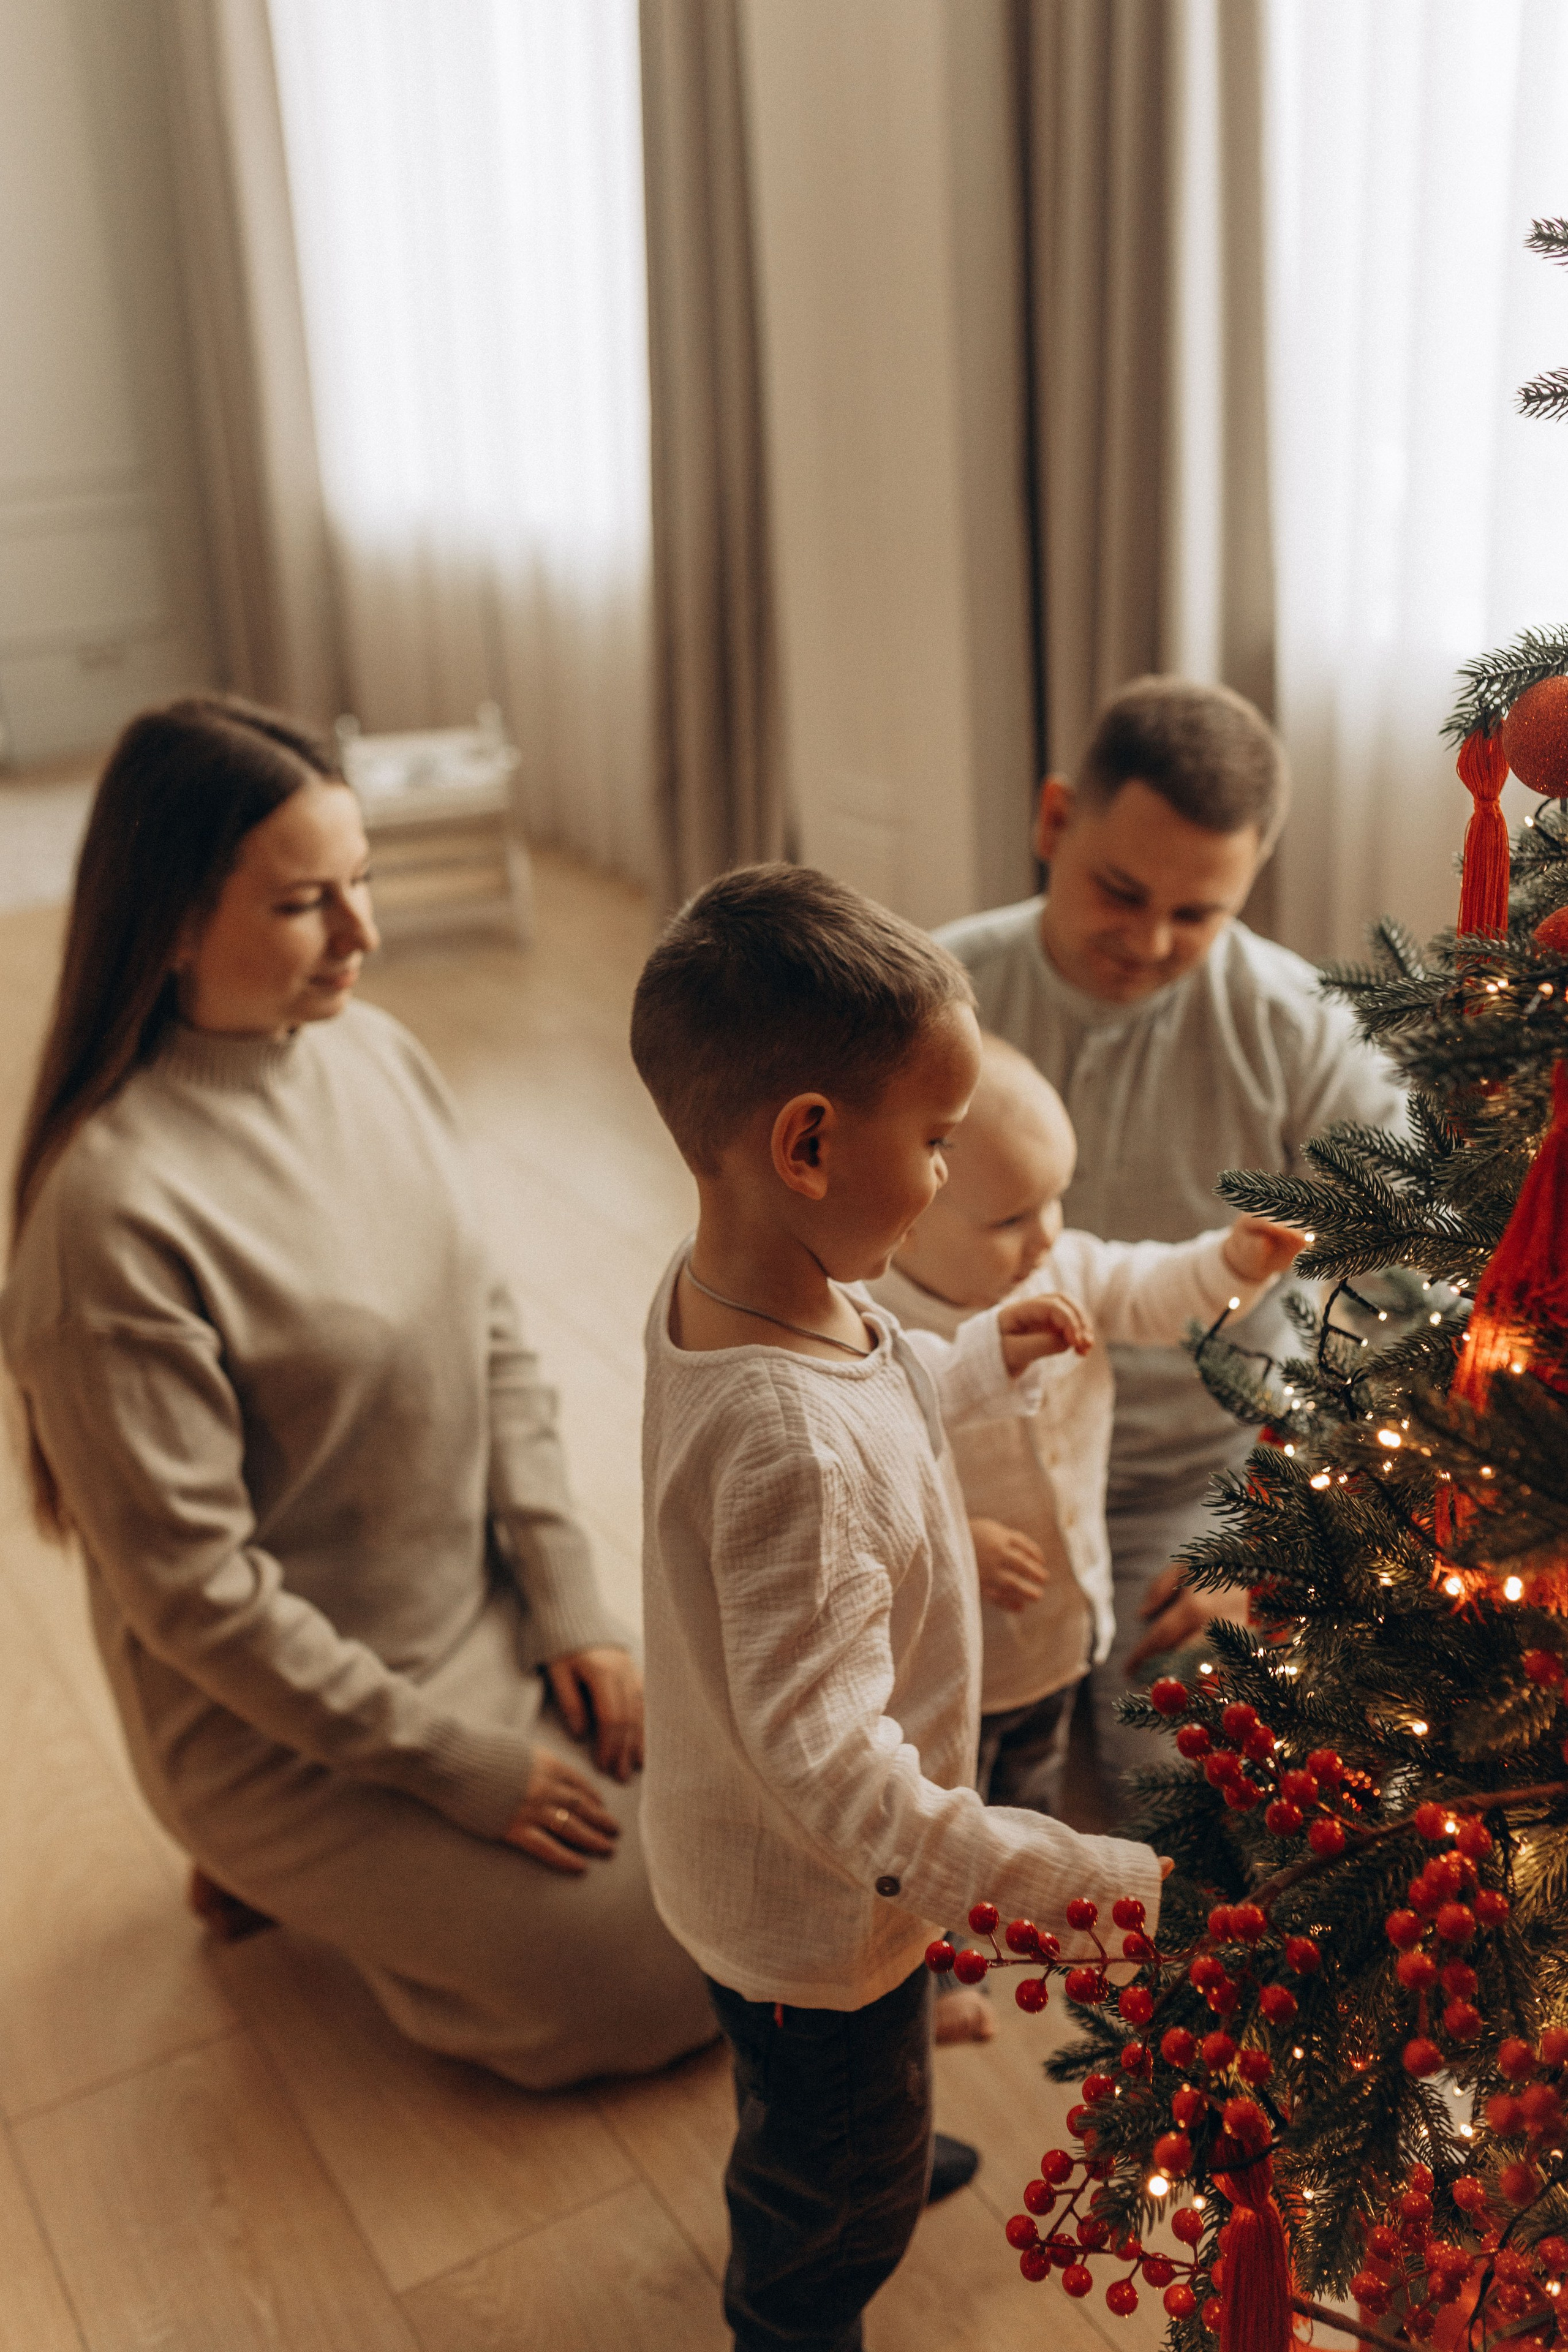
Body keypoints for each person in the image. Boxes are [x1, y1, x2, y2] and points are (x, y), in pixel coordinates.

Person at [1, 695, 713, 2092]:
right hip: (282, 1719)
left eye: (364, 884)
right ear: (173, 921)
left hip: (487, 1615)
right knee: (649, 1973)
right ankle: (282, 1873)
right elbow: (198, 1599)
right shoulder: (108, 1216)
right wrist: (456, 1766)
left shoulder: (375, 1056)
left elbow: (497, 1340)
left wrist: (567, 1599)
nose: (362, 938)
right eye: (305, 904)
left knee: (760, 1848)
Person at [628, 864, 1167, 2352]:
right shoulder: (784, 1436)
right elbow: (833, 1772)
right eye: (933, 1142)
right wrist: (1072, 1887)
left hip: (770, 1873)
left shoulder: (753, 1287)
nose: (945, 1176)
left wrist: (974, 1359)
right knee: (830, 2178)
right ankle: (801, 2293)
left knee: (827, 2090)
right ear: (805, 1144)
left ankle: (867, 2142)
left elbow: (874, 1395)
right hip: (815, 1912)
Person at [936, 677, 1406, 1811]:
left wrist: (1292, 1535)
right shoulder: (930, 999)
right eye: (1120, 890)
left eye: (1198, 916)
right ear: (1055, 823)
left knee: (1192, 1788)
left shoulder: (1300, 1026)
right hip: (959, 1461)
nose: (1148, 942)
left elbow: (1410, 1292)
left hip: (1194, 1472)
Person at [868, 1035, 1300, 2040]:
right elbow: (864, 1471)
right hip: (936, 1662)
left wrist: (1234, 1266)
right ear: (908, 1213)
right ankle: (920, 1981)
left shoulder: (1060, 1266)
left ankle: (976, 1948)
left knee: (1024, 1787)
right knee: (935, 1820)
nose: (1048, 1234)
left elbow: (1156, 1289)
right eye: (1012, 1216)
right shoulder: (872, 1325)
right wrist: (953, 1536)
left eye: (1057, 1200)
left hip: (1056, 1630)